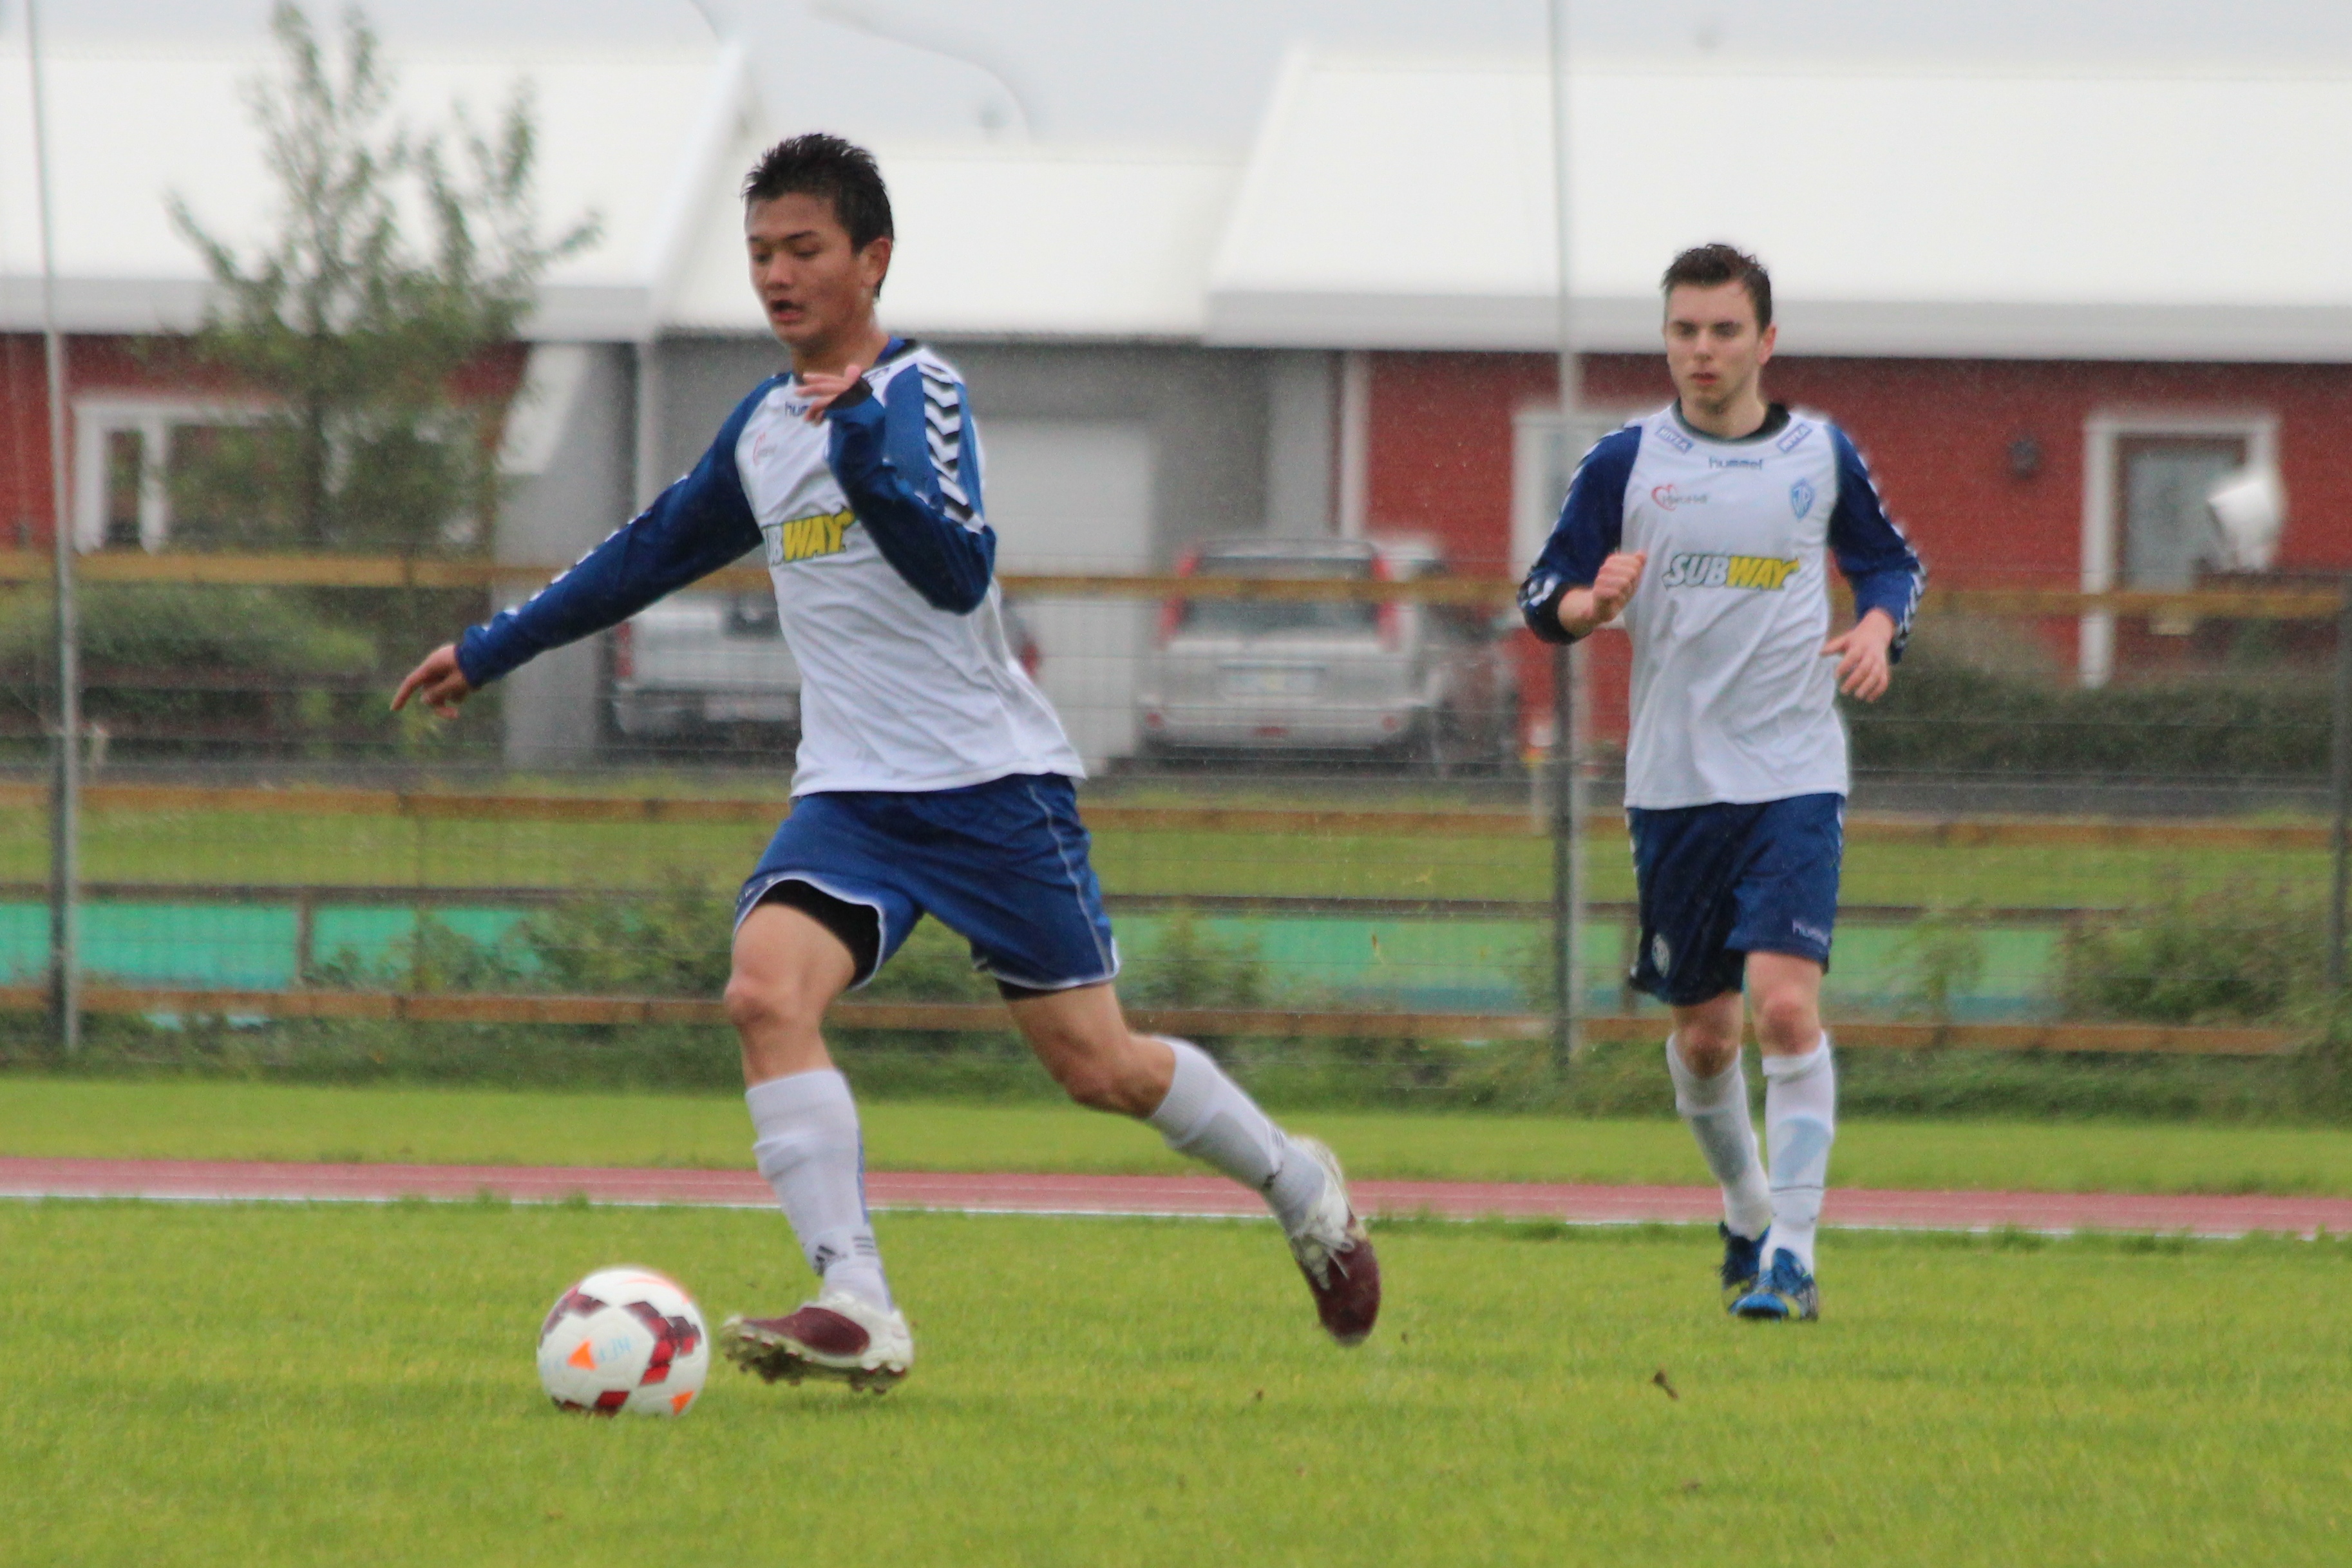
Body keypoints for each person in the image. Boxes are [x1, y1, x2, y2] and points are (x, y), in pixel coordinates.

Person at [393, 133, 1378, 1388]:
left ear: (872, 259)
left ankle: (1298, 1185)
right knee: (764, 993)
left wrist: (859, 449)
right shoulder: (763, 427)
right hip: (852, 802)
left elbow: (956, 571)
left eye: (803, 249)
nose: (776, 275)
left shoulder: (921, 394)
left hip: (991, 791)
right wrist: (493, 647)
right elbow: (647, 552)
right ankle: (857, 1301)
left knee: (1101, 1067)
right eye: (760, 253)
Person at [1518, 243, 1924, 1322]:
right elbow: (1542, 592)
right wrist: (1590, 605)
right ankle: (1746, 1206)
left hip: (1794, 772)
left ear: (1766, 341)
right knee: (1707, 1037)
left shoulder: (1818, 454)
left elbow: (1891, 564)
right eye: (1685, 330)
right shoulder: (1626, 461)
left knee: (1785, 1010)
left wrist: (1876, 628)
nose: (1703, 349)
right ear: (1667, 340)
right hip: (1674, 785)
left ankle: (1794, 1254)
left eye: (1724, 330)